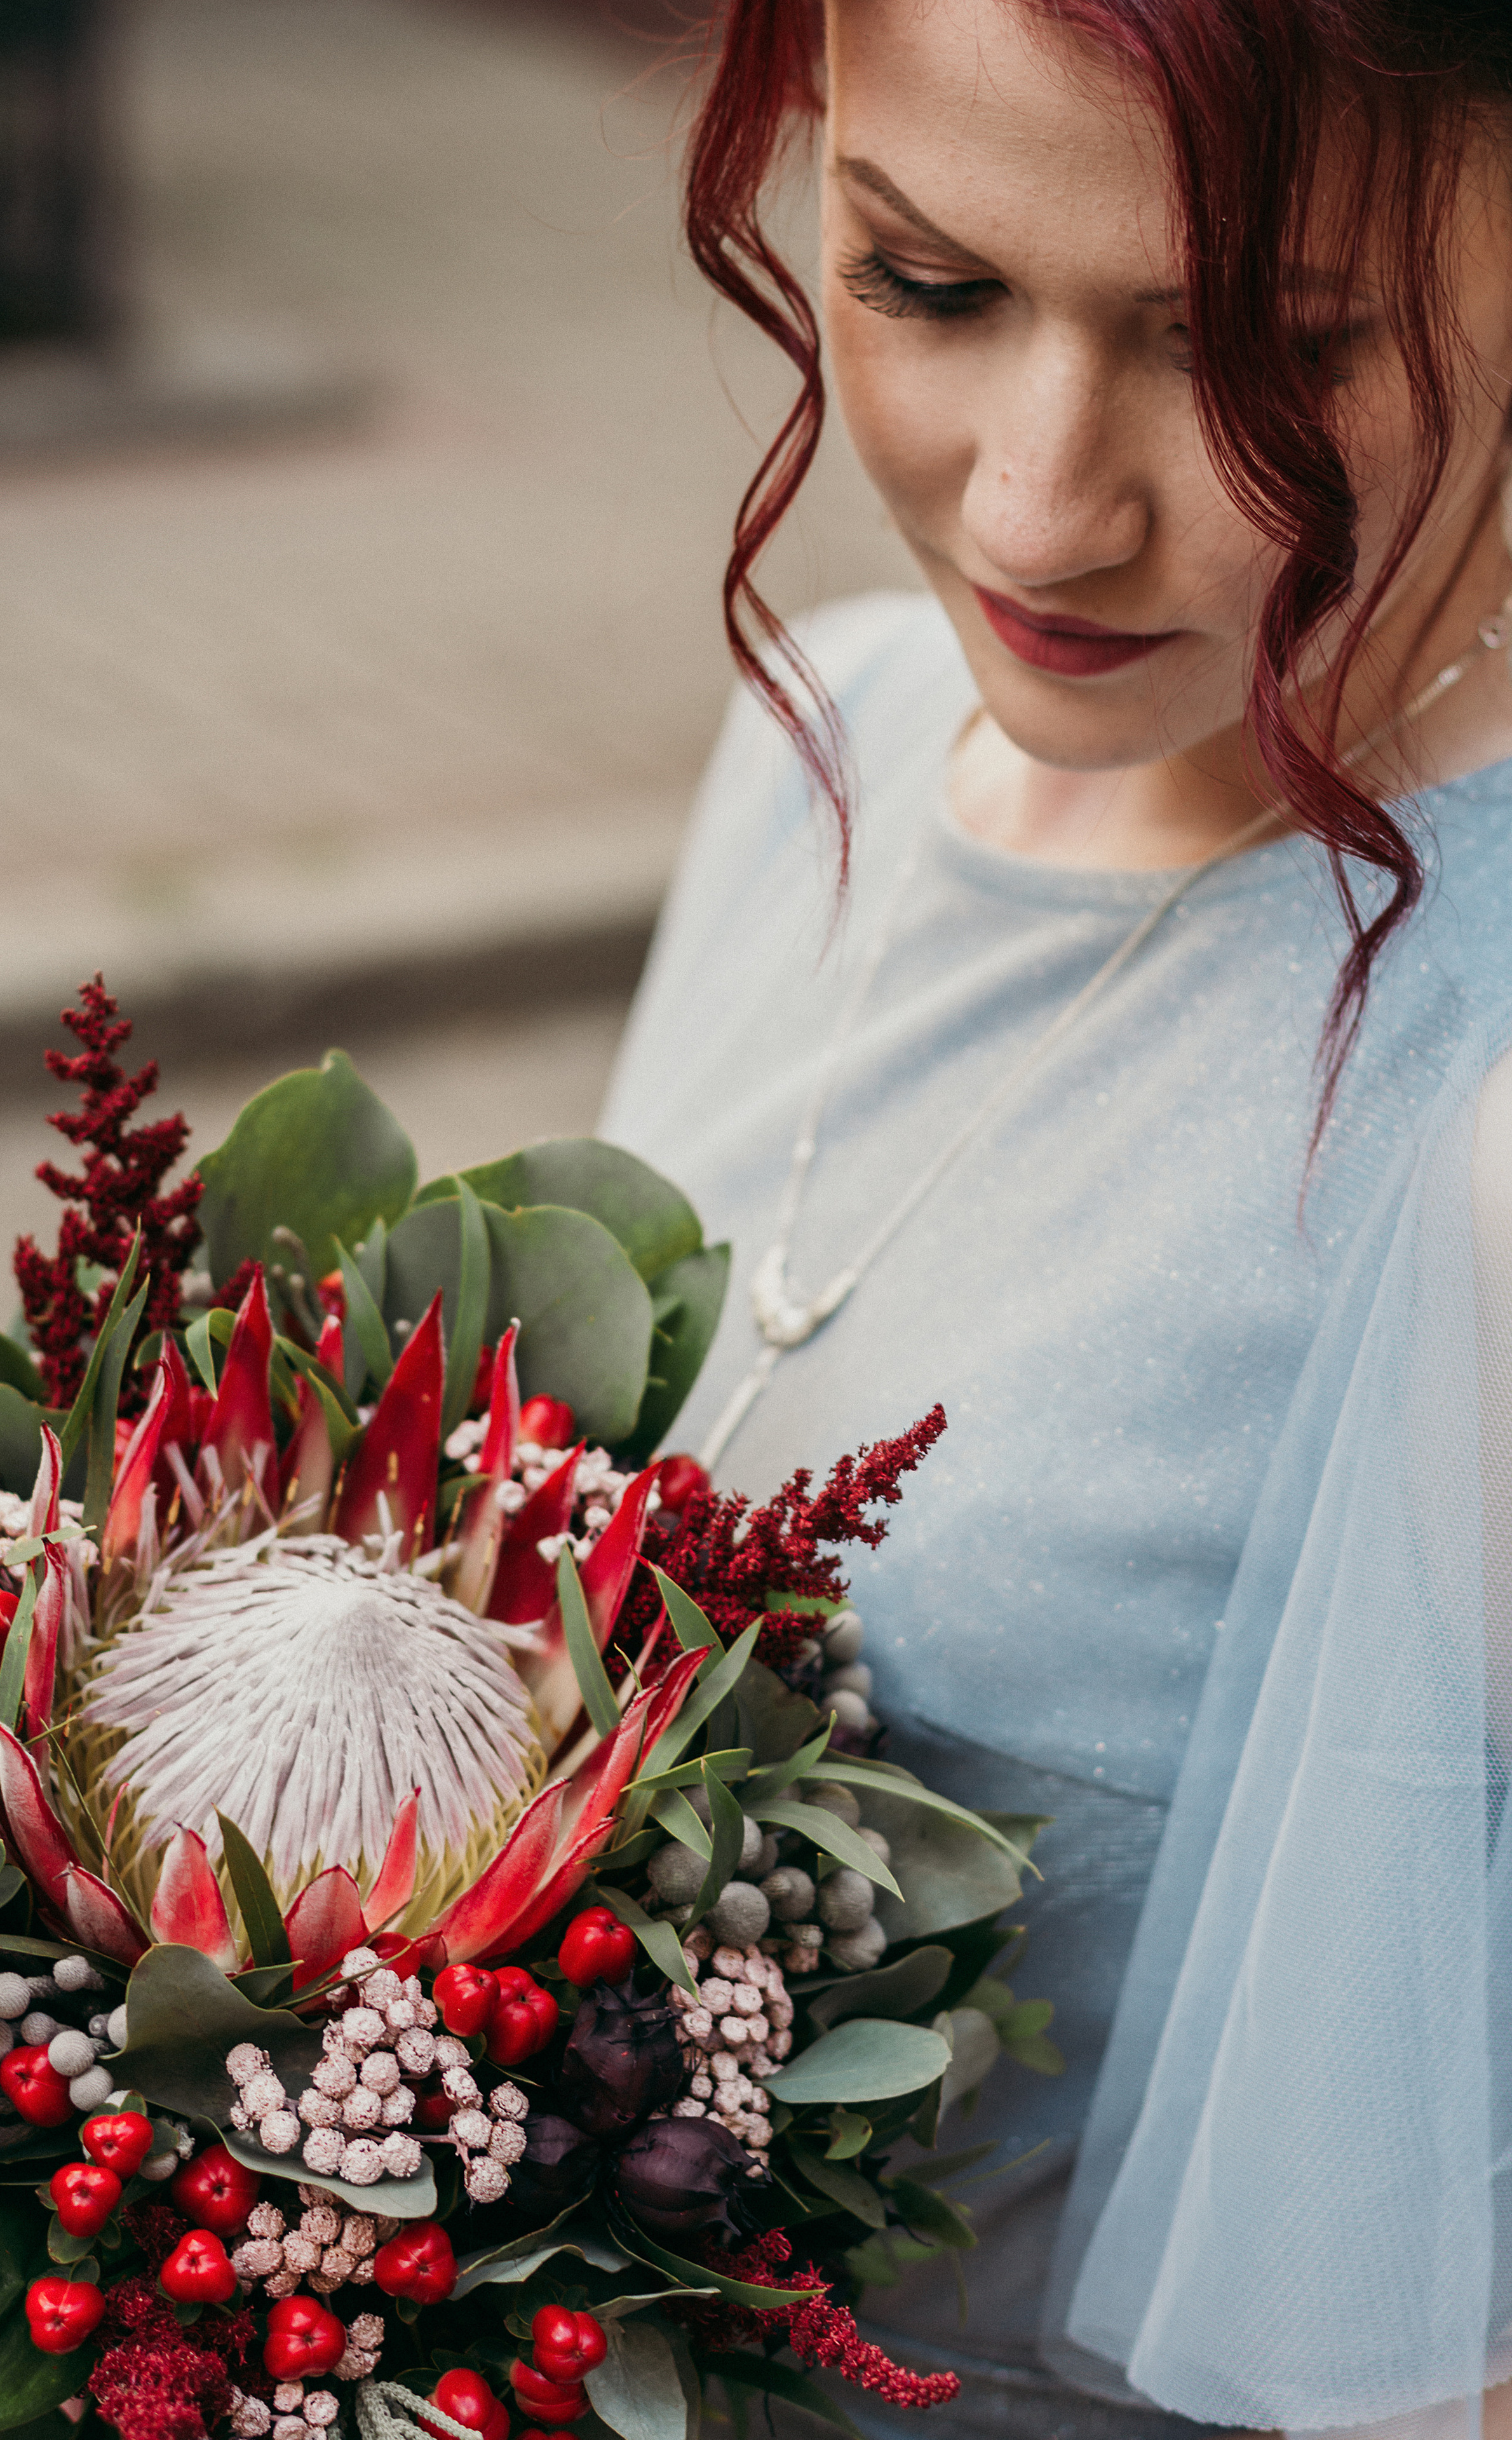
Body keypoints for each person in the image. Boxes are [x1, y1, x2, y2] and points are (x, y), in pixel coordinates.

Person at [600, 5, 1512, 2439]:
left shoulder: (1487, 1103)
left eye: (1255, 348)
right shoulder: (847, 741)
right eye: (924, 283)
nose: (1037, 513)